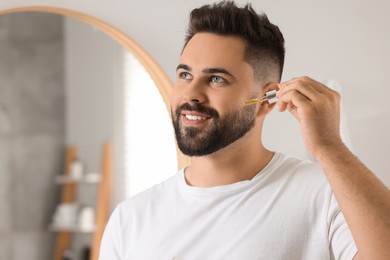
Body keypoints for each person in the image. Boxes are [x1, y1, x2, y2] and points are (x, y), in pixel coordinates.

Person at [99, 1, 390, 259]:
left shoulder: (324, 195)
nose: (191, 95)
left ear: (266, 101)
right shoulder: (130, 219)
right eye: (185, 74)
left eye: (216, 79)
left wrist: (329, 146)